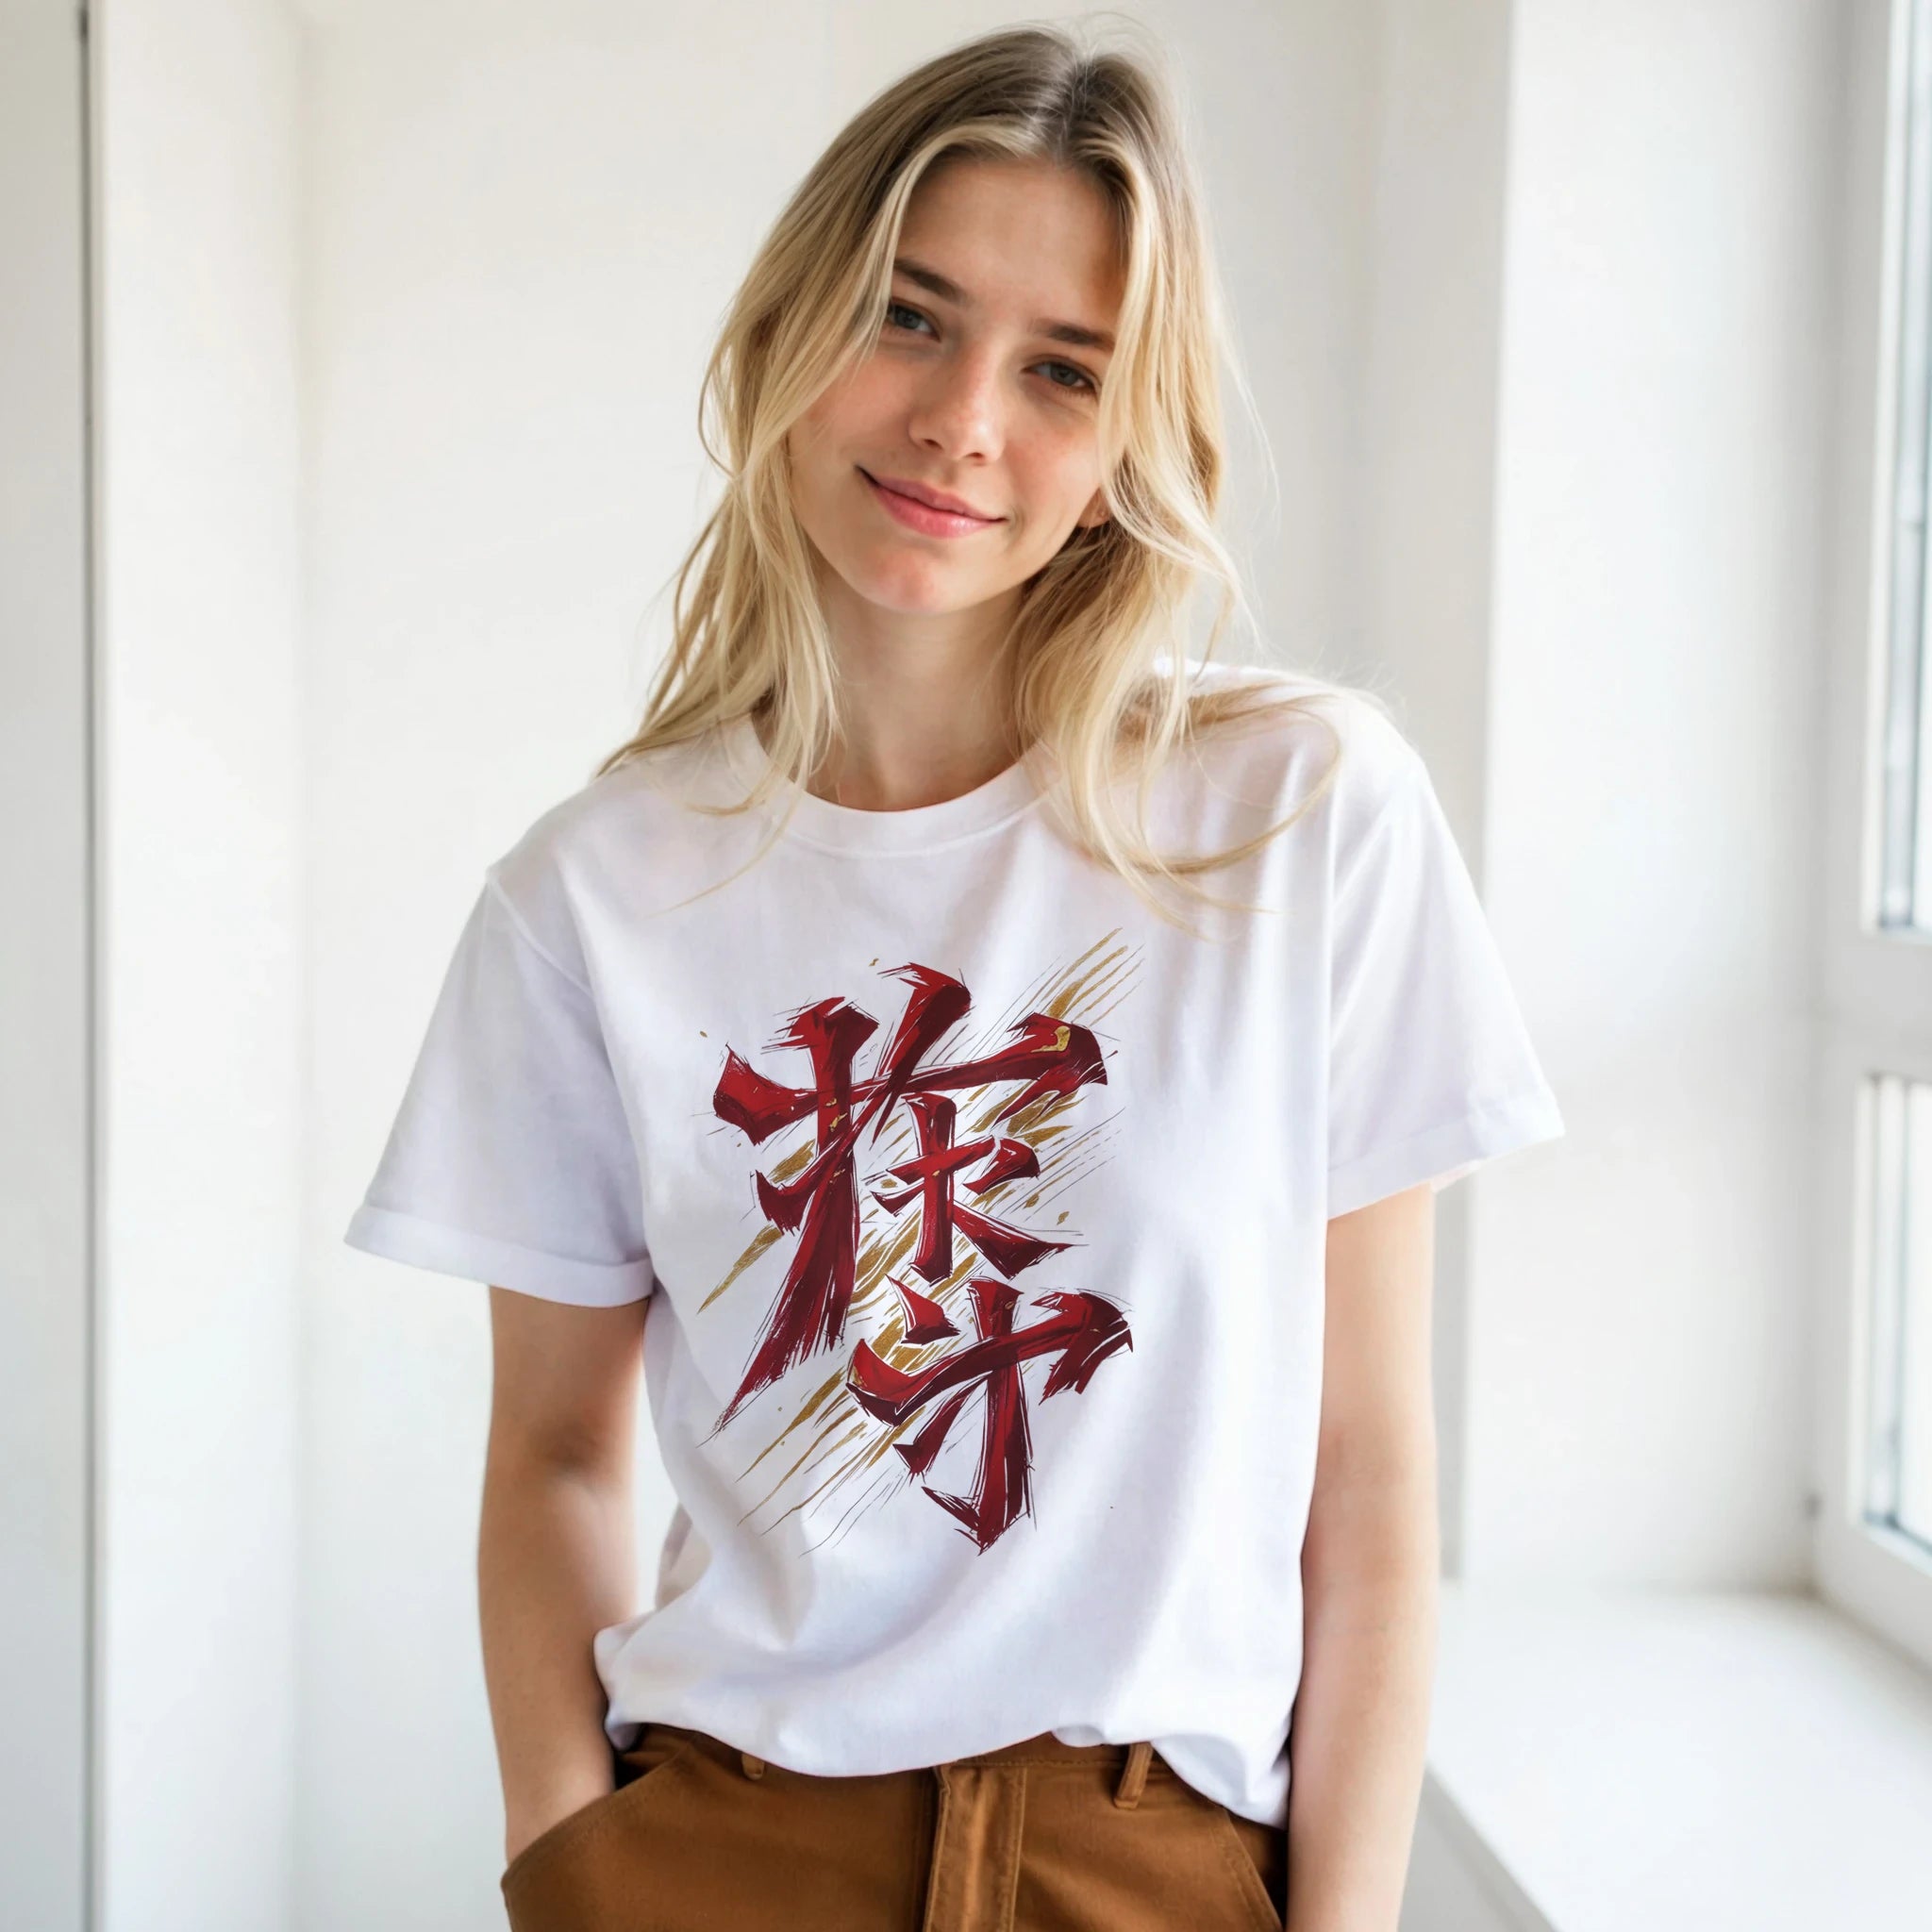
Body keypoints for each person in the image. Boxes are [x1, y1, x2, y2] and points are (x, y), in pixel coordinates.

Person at [343, 21, 1564, 1932]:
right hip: (725, 1851)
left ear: (1120, 449)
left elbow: (1370, 1470)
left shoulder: (1301, 819)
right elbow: (557, 1448)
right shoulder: (591, 896)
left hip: (1155, 1857)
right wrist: (570, 1866)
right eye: (909, 318)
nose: (960, 419)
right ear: (788, 331)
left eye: (1059, 368)